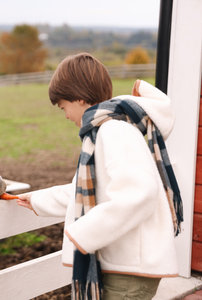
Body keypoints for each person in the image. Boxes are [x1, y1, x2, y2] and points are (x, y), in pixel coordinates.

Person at [15, 53, 183, 300]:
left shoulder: (113, 132)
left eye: (64, 107)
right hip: (126, 268)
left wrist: (84, 232)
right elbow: (87, 192)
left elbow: (140, 193)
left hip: (129, 274)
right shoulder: (105, 131)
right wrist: (37, 200)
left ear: (79, 98)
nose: (66, 116)